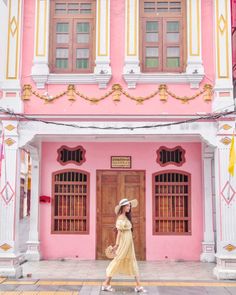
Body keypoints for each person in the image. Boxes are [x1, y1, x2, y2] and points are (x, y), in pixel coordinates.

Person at [102, 198, 147, 293]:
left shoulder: (127, 217)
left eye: (129, 205)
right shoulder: (120, 218)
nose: (129, 207)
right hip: (124, 243)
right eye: (127, 206)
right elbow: (119, 233)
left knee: (133, 261)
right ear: (122, 207)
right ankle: (106, 284)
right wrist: (116, 245)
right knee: (117, 260)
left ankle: (138, 285)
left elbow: (127, 231)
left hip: (129, 244)